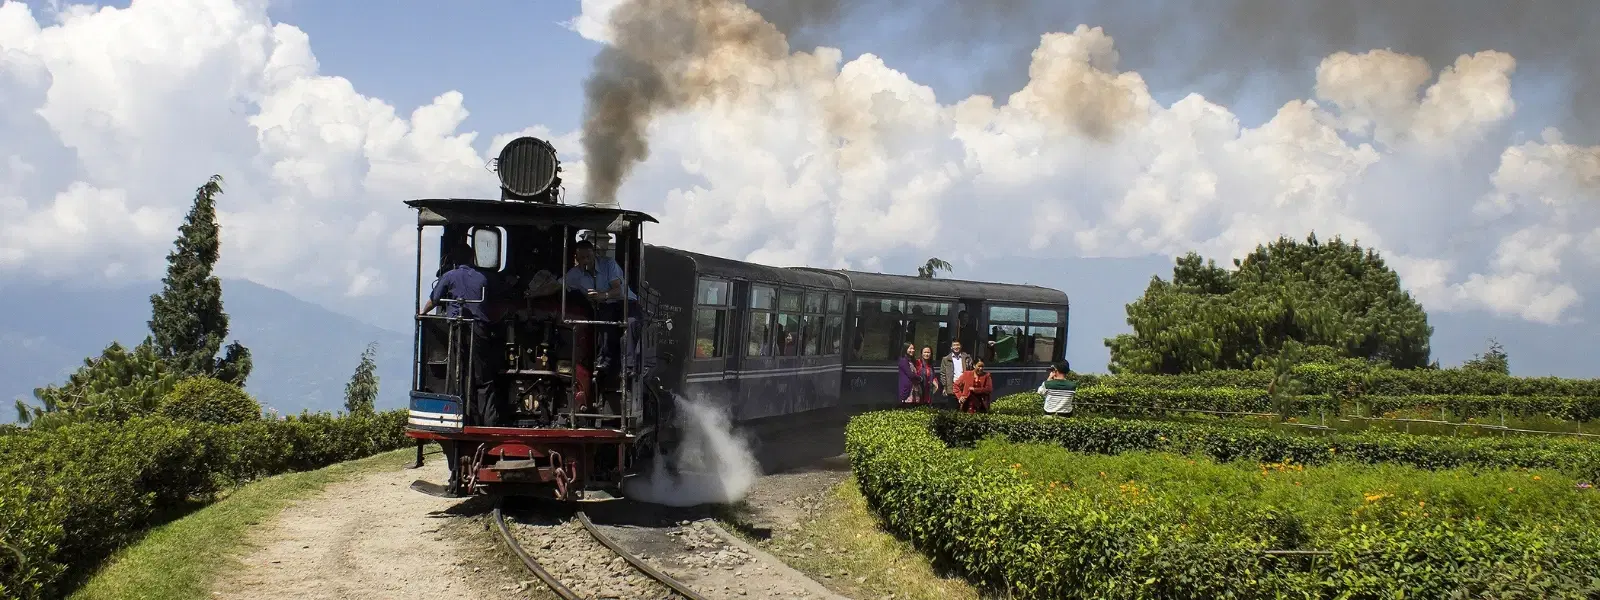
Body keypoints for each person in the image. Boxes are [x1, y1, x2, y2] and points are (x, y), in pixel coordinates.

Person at [420, 246, 504, 426]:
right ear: (472, 258)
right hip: (479, 329)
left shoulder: (449, 276)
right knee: (483, 377)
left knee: (459, 374)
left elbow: (434, 299)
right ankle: (489, 421)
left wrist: (421, 314)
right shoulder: (483, 277)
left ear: (455, 261)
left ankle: (462, 417)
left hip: (457, 330)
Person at [565, 239, 641, 375]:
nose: (586, 260)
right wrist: (533, 293)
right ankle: (603, 361)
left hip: (626, 302)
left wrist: (602, 295)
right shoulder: (574, 274)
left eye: (588, 257)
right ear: (576, 259)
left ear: (594, 254)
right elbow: (558, 284)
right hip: (607, 305)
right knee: (604, 322)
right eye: (582, 258)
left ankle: (629, 366)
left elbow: (617, 290)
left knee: (631, 323)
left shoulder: (609, 264)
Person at [940, 340, 974, 408]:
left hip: (965, 387)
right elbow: (943, 374)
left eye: (957, 345)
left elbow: (971, 371)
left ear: (961, 346)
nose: (956, 347)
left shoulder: (967, 358)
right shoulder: (946, 359)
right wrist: (945, 386)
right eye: (954, 345)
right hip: (952, 387)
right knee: (953, 409)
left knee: (965, 409)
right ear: (951, 347)